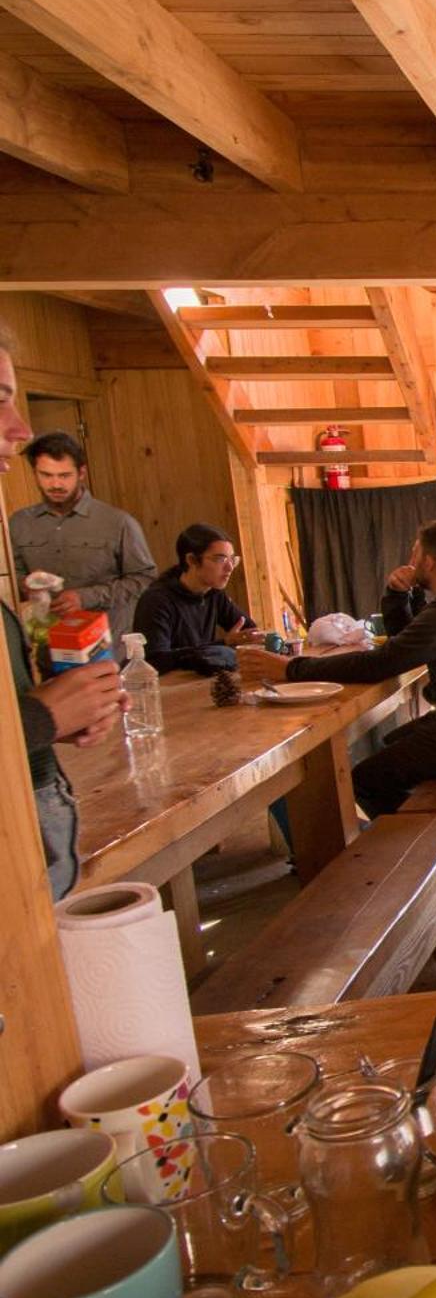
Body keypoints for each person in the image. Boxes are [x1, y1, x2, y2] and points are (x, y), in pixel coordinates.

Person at [238, 520, 436, 817]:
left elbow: (381, 663)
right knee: (394, 743)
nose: (410, 562)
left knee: (366, 780)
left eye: (415, 555)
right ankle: (418, 828)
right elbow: (410, 642)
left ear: (429, 562)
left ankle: (418, 844)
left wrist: (292, 669)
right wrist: (399, 595)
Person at [0, 335, 125, 899]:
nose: (19, 427)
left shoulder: (116, 522)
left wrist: (49, 708)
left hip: (89, 659)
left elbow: (138, 580)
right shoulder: (18, 525)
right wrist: (40, 717)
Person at [9, 430, 156, 647]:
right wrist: (27, 586)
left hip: (106, 648)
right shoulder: (19, 523)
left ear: (81, 473)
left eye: (64, 475)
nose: (56, 484)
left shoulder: (118, 522)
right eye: (46, 475)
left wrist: (84, 597)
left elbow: (144, 580)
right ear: (35, 473)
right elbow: (12, 576)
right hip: (49, 648)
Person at [133, 524, 258, 675]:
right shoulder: (156, 601)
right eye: (220, 559)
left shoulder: (214, 593)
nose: (230, 567)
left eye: (233, 559)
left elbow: (249, 632)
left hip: (199, 680)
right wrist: (223, 644)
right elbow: (155, 661)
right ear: (191, 560)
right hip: (169, 686)